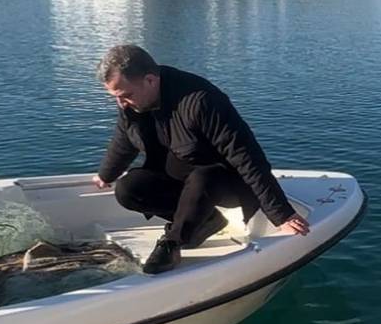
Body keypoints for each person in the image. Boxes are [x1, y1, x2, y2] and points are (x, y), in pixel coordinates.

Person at [93, 45, 309, 275]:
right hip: (183, 176)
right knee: (128, 189)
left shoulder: (202, 100)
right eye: (116, 98)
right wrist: (106, 175)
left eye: (125, 96)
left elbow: (247, 158)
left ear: (150, 80)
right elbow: (124, 139)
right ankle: (208, 221)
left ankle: (173, 242)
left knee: (202, 178)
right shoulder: (133, 104)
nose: (121, 104)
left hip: (224, 181)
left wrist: (281, 214)